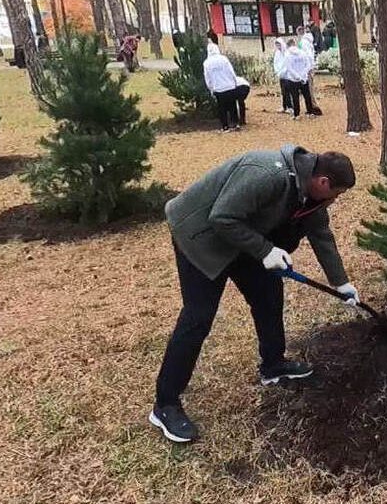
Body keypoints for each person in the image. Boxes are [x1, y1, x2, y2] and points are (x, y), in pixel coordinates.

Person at [150, 146, 361, 443]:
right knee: (198, 317)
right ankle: (165, 404)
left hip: (243, 237)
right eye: (336, 192)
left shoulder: (310, 193)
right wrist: (265, 250)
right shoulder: (267, 174)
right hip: (201, 235)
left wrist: (341, 283)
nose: (335, 199)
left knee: (268, 294)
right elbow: (221, 217)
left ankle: (273, 365)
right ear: (323, 182)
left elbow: (321, 234)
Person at [203, 43, 240, 132]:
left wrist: (211, 89)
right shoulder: (223, 59)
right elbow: (231, 71)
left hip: (218, 89)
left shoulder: (206, 63)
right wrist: (235, 82)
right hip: (229, 86)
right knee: (232, 106)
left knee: (222, 108)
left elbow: (207, 78)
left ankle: (225, 126)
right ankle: (235, 124)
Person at [283, 38, 322, 119]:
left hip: (293, 79)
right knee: (307, 95)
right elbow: (308, 65)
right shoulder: (302, 52)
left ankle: (297, 114)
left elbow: (289, 68)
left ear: (288, 46)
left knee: (295, 97)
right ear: (295, 44)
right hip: (304, 78)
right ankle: (310, 112)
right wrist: (303, 74)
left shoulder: (287, 54)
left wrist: (296, 76)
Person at [273, 38, 293, 114]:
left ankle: (290, 107)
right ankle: (284, 106)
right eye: (276, 44)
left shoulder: (286, 52)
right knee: (283, 92)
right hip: (280, 75)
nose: (278, 46)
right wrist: (278, 72)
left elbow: (287, 63)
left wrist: (284, 71)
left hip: (287, 75)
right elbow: (275, 63)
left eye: (279, 44)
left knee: (287, 91)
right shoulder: (277, 53)